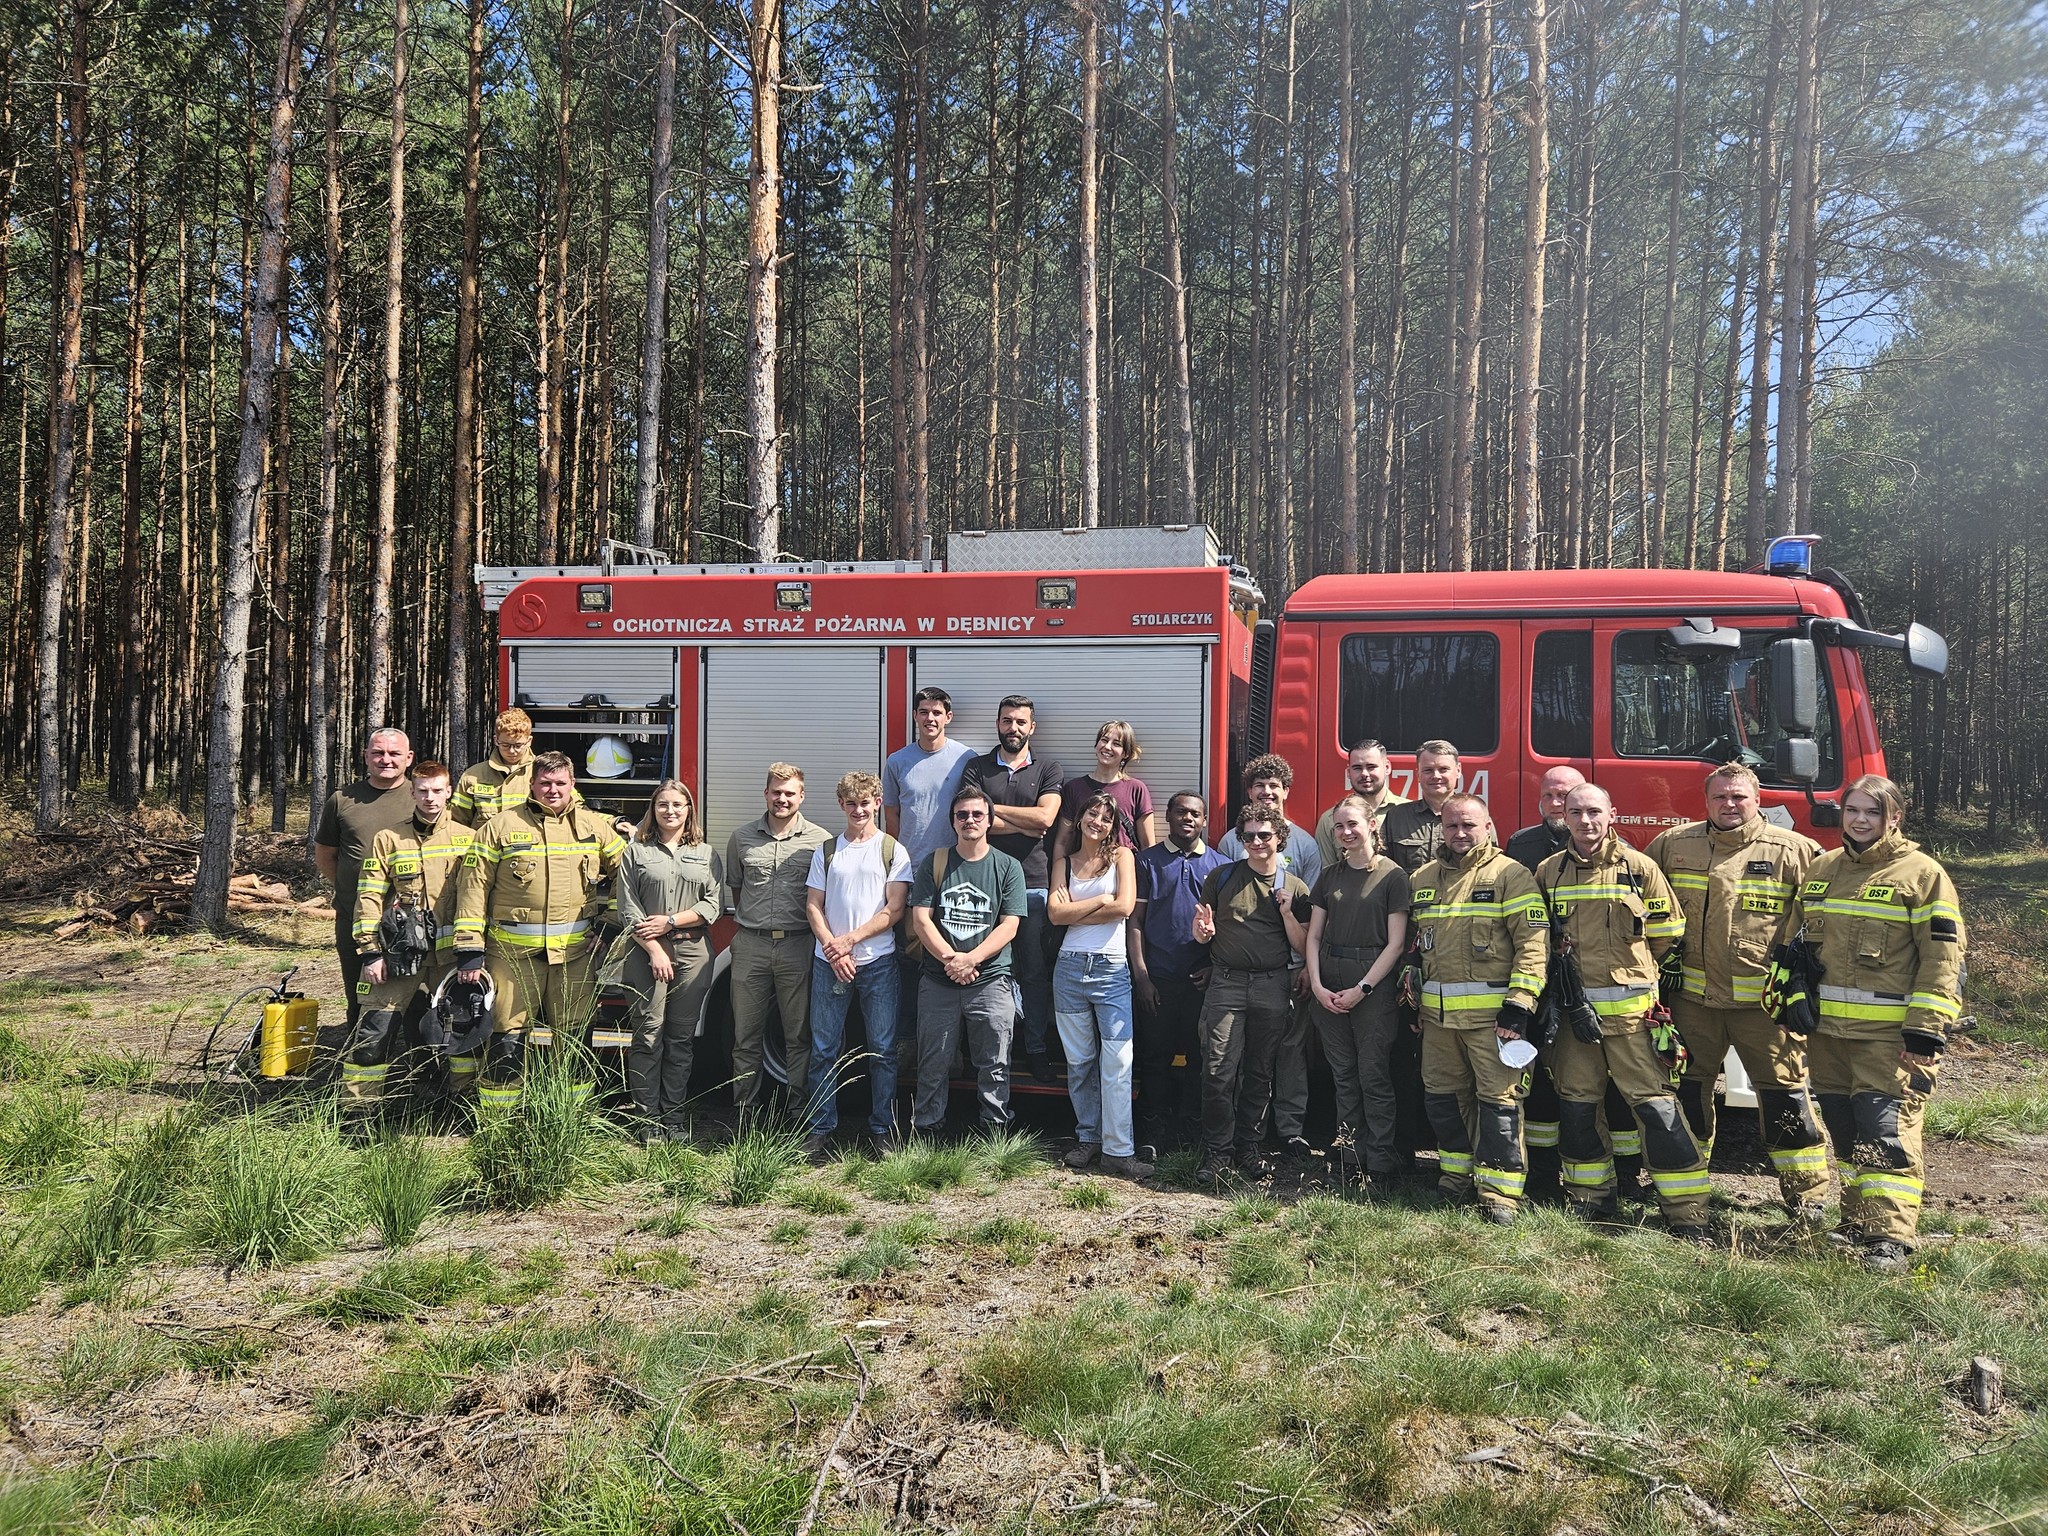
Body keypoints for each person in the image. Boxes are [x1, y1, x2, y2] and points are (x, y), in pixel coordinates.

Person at [1774, 775, 1964, 1271]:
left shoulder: (1922, 874)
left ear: (1894, 818)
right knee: (1845, 1129)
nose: (1860, 820)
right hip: (1828, 1035)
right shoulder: (1823, 868)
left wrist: (1926, 1028)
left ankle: (1892, 1238)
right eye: (1853, 810)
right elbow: (1798, 947)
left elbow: (1943, 959)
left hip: (1890, 1038)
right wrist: (1792, 997)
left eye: (1872, 812)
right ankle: (1856, 1221)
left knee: (1886, 1131)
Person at [1646, 763, 1828, 1220]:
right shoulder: (1672, 845)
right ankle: (1683, 1194)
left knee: (1784, 1094)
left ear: (1757, 798)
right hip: (1692, 1004)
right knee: (1687, 1091)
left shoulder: (1796, 851)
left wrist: (1803, 986)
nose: (1729, 805)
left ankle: (1807, 1198)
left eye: (1739, 797)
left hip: (1764, 1008)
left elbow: (1822, 924)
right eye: (1720, 797)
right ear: (1705, 801)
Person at [1537, 783, 1712, 1239]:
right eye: (1575, 812)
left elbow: (1668, 932)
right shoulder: (1548, 872)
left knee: (1657, 1110)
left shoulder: (1640, 868)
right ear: (1564, 817)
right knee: (1577, 1109)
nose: (1585, 821)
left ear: (1612, 812)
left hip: (1633, 1021)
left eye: (1594, 811)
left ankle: (1686, 1211)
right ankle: (1590, 1200)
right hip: (1576, 1023)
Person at [453, 751, 625, 1111]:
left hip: (575, 957)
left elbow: (628, 875)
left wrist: (609, 926)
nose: (552, 790)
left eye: (560, 783)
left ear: (572, 785)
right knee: (507, 1036)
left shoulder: (594, 826)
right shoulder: (499, 827)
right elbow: (472, 888)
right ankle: (499, 1120)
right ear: (531, 784)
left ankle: (572, 1115)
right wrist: (469, 948)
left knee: (576, 1036)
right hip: (511, 958)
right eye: (545, 782)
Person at [1408, 794, 1548, 1221]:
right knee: (1444, 1100)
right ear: (1441, 829)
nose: (1460, 833)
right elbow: (1418, 947)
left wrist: (1519, 1005)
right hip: (1437, 1022)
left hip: (1494, 1023)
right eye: (1452, 826)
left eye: (1469, 825)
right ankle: (1454, 1179)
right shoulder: (1422, 878)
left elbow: (1533, 944)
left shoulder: (1511, 875)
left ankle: (1499, 1195)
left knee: (1499, 1104)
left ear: (1487, 826)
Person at [1189, 805, 1309, 1186]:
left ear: (1280, 838)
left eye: (1264, 835)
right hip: (1226, 983)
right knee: (1217, 1070)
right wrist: (1203, 933)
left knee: (1260, 1072)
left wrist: (1289, 913)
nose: (1256, 842)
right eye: (1248, 836)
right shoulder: (1221, 878)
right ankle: (1217, 1151)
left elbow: (1305, 947)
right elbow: (1200, 933)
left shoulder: (1296, 887)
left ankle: (1249, 1147)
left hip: (1273, 985)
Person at [345, 761, 473, 1108]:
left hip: (452, 959)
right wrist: (370, 953)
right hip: (399, 957)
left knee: (463, 1033)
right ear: (412, 792)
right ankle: (360, 1113)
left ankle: (462, 1106)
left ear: (449, 792)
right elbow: (368, 896)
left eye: (437, 791)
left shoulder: (469, 840)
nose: (430, 798)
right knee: (375, 1031)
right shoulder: (388, 839)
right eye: (423, 791)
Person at [803, 771, 912, 1161]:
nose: (858, 809)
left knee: (882, 1049)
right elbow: (813, 905)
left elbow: (894, 909)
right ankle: (820, 1129)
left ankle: (882, 1129)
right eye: (851, 803)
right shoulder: (827, 851)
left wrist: (849, 941)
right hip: (829, 963)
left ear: (877, 804)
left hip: (877, 963)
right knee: (823, 1048)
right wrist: (834, 949)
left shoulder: (893, 851)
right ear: (841, 805)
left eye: (865, 803)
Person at [1305, 795, 1413, 1186]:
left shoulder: (1392, 876)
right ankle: (1351, 1156)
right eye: (1339, 826)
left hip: (1372, 988)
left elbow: (1396, 944)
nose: (1346, 832)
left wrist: (1362, 989)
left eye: (1353, 824)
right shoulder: (1329, 875)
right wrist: (1317, 986)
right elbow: (1314, 936)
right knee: (1343, 1076)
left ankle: (1381, 1162)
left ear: (1372, 826)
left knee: (1373, 1075)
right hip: (1328, 985)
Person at [1216, 753, 1320, 1159]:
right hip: (1243, 970)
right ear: (1250, 793)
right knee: (1244, 1055)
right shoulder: (1230, 842)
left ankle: (1291, 1129)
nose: (1267, 792)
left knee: (1291, 1052)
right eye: (1260, 787)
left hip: (1290, 968)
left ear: (1285, 792)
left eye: (1274, 787)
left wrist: (1307, 968)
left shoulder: (1306, 844)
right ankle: (1248, 1132)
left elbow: (1314, 915)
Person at [907, 786, 1028, 1137]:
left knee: (994, 1065)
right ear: (953, 821)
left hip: (991, 981)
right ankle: (926, 1133)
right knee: (933, 1063)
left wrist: (971, 959)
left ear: (990, 821)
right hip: (938, 980)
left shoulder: (1008, 867)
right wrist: (951, 960)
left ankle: (994, 1137)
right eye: (962, 815)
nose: (970, 820)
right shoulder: (935, 861)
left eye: (977, 814)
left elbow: (1010, 925)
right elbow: (921, 920)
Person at [959, 696, 1065, 1082]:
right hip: (982, 887)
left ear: (1032, 727)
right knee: (982, 972)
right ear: (997, 724)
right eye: (1007, 721)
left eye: (1021, 722)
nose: (1013, 728)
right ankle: (983, 1057)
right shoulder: (977, 766)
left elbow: (1046, 818)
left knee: (1035, 975)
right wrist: (1025, 821)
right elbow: (972, 820)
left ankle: (1036, 1050)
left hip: (1034, 888)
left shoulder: (1049, 767)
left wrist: (992, 809)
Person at [613, 779, 722, 1142]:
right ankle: (647, 1119)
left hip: (693, 953)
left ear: (689, 809)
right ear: (653, 809)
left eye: (678, 804)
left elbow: (712, 905)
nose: (670, 811)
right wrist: (656, 949)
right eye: (663, 805)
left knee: (680, 1038)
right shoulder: (635, 852)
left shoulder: (707, 854)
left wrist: (672, 921)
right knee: (648, 1036)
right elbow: (628, 908)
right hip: (646, 954)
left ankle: (673, 1117)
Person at [1050, 794, 1150, 1177]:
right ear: (1080, 818)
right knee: (1080, 1063)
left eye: (1107, 817)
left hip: (1111, 970)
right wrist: (1101, 901)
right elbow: (1056, 915)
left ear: (1114, 825)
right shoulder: (1063, 862)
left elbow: (1124, 908)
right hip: (1069, 970)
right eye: (1092, 813)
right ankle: (1089, 1139)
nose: (1098, 821)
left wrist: (1080, 908)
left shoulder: (1123, 857)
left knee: (1118, 1062)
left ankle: (1119, 1151)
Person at [725, 763, 832, 1117]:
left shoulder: (820, 841)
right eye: (776, 792)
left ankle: (799, 1111)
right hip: (750, 945)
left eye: (790, 793)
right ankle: (746, 1114)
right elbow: (737, 890)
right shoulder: (741, 838)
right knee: (746, 1035)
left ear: (801, 796)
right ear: (766, 793)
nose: (782, 799)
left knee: (798, 1035)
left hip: (798, 946)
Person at [1130, 793, 1231, 1144]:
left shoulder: (1220, 866)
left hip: (1201, 981)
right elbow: (1136, 923)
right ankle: (1152, 1128)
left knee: (1198, 1056)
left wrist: (1215, 969)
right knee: (1155, 1055)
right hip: (1157, 978)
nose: (1188, 818)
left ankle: (1190, 1126)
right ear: (1168, 818)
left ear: (1204, 821)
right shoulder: (1146, 862)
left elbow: (1228, 928)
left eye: (1196, 814)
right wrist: (1141, 977)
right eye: (1181, 812)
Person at [1505, 764, 1587, 1181]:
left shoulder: (1611, 850)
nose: (1559, 803)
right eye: (1551, 795)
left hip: (1583, 983)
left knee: (1582, 1079)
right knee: (1533, 1075)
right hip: (1536, 979)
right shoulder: (1522, 845)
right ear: (1541, 800)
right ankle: (1540, 1171)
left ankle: (1611, 1170)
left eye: (1567, 795)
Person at [886, 688, 977, 1051]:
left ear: (948, 717)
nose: (930, 718)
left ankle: (952, 1048)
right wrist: (897, 864)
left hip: (956, 872)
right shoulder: (897, 761)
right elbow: (891, 817)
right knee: (911, 958)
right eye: (923, 711)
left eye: (937, 712)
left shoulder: (964, 759)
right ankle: (909, 1042)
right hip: (911, 875)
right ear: (914, 716)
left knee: (954, 956)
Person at [317, 727, 416, 1034]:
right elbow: (326, 856)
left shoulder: (421, 796)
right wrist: (353, 894)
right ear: (366, 757)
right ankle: (358, 1056)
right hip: (354, 918)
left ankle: (412, 1064)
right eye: (378, 753)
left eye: (394, 753)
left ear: (408, 758)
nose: (386, 760)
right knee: (359, 992)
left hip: (409, 921)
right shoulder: (342, 800)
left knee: (416, 998)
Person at [1053, 720, 1156, 857]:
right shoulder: (1074, 788)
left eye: (1116, 744)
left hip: (1123, 872)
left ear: (1126, 753)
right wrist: (1059, 876)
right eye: (1104, 740)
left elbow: (1147, 844)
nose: (1107, 747)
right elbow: (1063, 842)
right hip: (1081, 872)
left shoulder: (1136, 789)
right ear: (1096, 745)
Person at [1314, 740, 1410, 870]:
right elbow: (1328, 875)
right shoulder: (1329, 819)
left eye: (1371, 767)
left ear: (1387, 767)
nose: (1364, 774)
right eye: (1357, 768)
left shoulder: (1409, 813)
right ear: (1349, 772)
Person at [1381, 739, 1462, 874]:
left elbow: (1490, 865)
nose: (1436, 776)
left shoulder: (1476, 816)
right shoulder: (1396, 817)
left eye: (1443, 769)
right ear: (1418, 774)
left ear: (1458, 770)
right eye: (1428, 770)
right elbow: (1381, 868)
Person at [452, 709, 536, 827]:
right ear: (496, 740)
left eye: (518, 745)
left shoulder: (540, 773)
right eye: (505, 745)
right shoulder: (473, 776)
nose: (512, 751)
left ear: (529, 741)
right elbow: (457, 822)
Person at [1505, 766, 1586, 873]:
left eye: (1563, 795)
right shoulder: (1519, 842)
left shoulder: (1598, 843)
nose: (1554, 803)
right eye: (1547, 795)